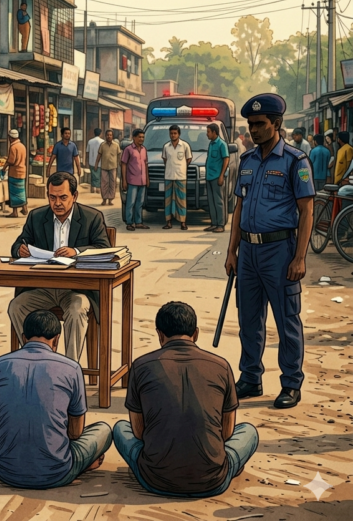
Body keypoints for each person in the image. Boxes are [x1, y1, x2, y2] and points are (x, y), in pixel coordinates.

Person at [113, 302, 259, 497]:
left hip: (155, 479)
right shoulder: (221, 366)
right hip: (214, 480)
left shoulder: (141, 366)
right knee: (248, 431)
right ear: (196, 333)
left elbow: (139, 433)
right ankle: (230, 466)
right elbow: (227, 432)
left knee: (120, 428)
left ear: (160, 335)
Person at [225, 93, 315, 409]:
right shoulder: (247, 161)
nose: (254, 130)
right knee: (249, 319)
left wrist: (300, 257)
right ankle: (250, 377)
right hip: (248, 252)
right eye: (250, 124)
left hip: (280, 250)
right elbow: (239, 208)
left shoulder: (295, 161)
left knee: (287, 319)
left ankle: (291, 383)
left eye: (260, 124)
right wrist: (231, 251)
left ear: (276, 124)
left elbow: (307, 211)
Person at [0, 310, 112, 489]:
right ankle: (80, 465)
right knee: (104, 430)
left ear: (23, 337)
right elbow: (75, 433)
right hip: (56, 472)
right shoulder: (72, 368)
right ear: (57, 340)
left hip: (5, 471)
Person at [8, 172, 111, 362]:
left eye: (63, 197)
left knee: (77, 308)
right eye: (52, 197)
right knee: (17, 306)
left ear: (74, 196)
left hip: (76, 289)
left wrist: (76, 252)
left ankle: (69, 367)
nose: (57, 203)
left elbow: (104, 249)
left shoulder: (92, 217)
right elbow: (17, 245)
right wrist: (20, 250)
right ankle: (38, 360)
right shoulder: (37, 217)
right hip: (43, 288)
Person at [161, 124, 192, 230]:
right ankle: (168, 222)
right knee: (168, 200)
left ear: (179, 134)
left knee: (181, 200)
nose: (173, 135)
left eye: (175, 133)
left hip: (181, 176)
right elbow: (165, 160)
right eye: (171, 133)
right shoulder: (166, 146)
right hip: (169, 176)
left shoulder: (185, 145)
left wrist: (181, 168)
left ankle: (182, 222)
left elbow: (188, 159)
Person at [121, 129, 150, 231]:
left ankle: (138, 222)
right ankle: (129, 223)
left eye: (143, 137)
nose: (141, 139)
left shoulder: (144, 149)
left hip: (142, 181)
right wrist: (124, 180)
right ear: (134, 137)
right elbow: (123, 164)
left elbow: (146, 165)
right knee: (131, 203)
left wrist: (147, 179)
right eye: (139, 137)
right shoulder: (128, 149)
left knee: (140, 203)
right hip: (132, 180)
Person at [205, 123, 230, 233]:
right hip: (209, 176)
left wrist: (221, 176)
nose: (207, 134)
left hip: (217, 177)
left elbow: (226, 160)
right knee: (211, 201)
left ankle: (220, 224)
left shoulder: (221, 144)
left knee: (219, 201)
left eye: (208, 132)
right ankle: (214, 223)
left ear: (214, 132)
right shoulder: (211, 144)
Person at [2, 129, 28, 217]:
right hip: (22, 172)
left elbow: (11, 161)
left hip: (14, 172)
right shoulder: (22, 146)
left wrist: (4, 167)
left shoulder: (13, 147)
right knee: (21, 191)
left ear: (11, 138)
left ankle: (15, 212)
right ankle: (24, 208)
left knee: (14, 193)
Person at [97, 129, 121, 206]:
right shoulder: (102, 145)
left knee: (112, 184)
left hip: (113, 167)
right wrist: (96, 164)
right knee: (104, 183)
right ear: (105, 136)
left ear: (112, 136)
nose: (109, 136)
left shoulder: (116, 145)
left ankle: (110, 199)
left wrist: (120, 164)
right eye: (108, 135)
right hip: (104, 167)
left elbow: (119, 155)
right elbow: (99, 155)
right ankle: (104, 199)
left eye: (110, 135)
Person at [86, 127, 103, 194]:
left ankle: (92, 188)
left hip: (91, 161)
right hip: (100, 162)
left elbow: (87, 152)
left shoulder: (90, 141)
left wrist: (86, 161)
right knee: (99, 176)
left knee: (93, 175)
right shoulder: (103, 142)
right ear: (100, 134)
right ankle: (98, 189)